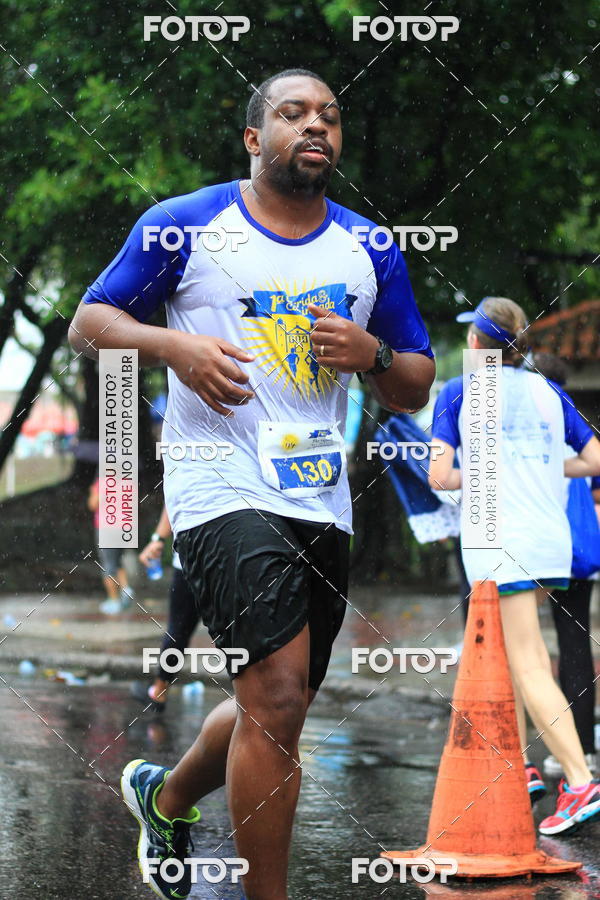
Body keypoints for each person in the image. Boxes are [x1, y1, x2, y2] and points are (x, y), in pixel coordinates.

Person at [69, 69, 435, 900]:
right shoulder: (183, 227)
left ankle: (162, 797)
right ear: (251, 137)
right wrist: (175, 351)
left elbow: (413, 380)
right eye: (294, 113)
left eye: (331, 117)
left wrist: (372, 355)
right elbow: (92, 322)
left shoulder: (369, 247)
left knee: (284, 703)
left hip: (318, 496)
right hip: (216, 483)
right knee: (272, 689)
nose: (317, 127)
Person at [429, 295, 600, 835]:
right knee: (506, 657)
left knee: (526, 660)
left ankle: (578, 781)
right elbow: (594, 459)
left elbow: (441, 475)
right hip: (551, 540)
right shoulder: (548, 390)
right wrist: (549, 469)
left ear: (476, 344)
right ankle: (522, 768)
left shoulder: (459, 392)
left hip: (500, 542)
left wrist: (484, 472)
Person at [532, 353, 599, 778]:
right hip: (578, 552)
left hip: (534, 548)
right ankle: (582, 752)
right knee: (575, 644)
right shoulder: (577, 422)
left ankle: (513, 751)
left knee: (522, 649)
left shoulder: (527, 419)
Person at [131, 506, 201, 713]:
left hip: (191, 559)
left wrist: (158, 539)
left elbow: (173, 497)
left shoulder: (184, 472)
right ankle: (249, 703)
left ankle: (159, 692)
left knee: (179, 629)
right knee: (236, 630)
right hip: (236, 559)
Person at [88, 475, 134, 615]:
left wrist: (94, 493)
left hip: (106, 528)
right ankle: (126, 589)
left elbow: (92, 505)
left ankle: (113, 600)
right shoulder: (126, 482)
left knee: (108, 565)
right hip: (123, 527)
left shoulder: (101, 483)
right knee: (117, 561)